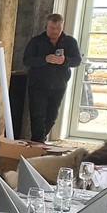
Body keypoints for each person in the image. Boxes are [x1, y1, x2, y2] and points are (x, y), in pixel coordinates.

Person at [23, 13, 82, 143]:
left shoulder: (70, 42)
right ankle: (38, 143)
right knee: (37, 115)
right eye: (52, 28)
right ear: (46, 26)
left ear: (62, 27)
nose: (55, 31)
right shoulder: (36, 41)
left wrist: (64, 60)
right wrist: (45, 59)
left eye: (58, 29)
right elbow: (27, 60)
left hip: (59, 85)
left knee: (52, 116)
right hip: (37, 85)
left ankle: (40, 140)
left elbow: (77, 61)